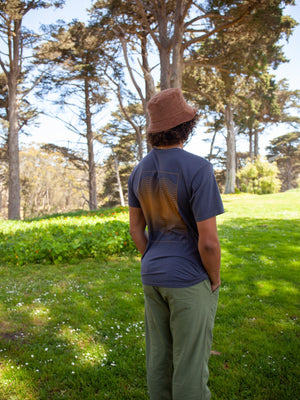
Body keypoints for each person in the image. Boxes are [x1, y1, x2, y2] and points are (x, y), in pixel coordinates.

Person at [128, 88, 224, 400]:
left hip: (152, 275)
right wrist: (215, 277)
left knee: (159, 359)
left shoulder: (138, 171)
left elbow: (136, 230)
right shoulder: (199, 168)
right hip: (188, 278)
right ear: (185, 125)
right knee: (191, 365)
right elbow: (208, 243)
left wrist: (154, 256)